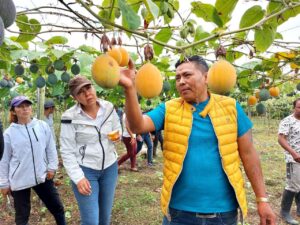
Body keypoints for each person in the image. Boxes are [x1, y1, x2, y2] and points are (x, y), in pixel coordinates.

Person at [118, 55, 276, 224]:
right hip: (179, 212)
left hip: (223, 213)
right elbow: (137, 126)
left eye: (187, 75)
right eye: (177, 77)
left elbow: (249, 154)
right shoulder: (169, 109)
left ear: (206, 77)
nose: (181, 81)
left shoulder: (231, 107)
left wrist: (262, 200)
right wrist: (130, 88)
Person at [60, 75, 121, 225]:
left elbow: (117, 127)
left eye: (88, 88)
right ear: (75, 97)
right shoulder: (69, 117)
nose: (87, 94)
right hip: (86, 170)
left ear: (94, 88)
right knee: (91, 221)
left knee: (104, 219)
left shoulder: (109, 108)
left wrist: (117, 136)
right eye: (81, 92)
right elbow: (66, 150)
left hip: (109, 167)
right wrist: (78, 177)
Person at [0, 95, 66, 225]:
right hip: (19, 179)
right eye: (20, 106)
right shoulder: (8, 134)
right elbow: (4, 160)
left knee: (57, 208)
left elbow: (50, 148)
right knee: (22, 217)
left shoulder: (42, 126)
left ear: (31, 108)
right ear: (14, 111)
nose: (25, 109)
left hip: (41, 176)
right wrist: (3, 183)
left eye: (27, 106)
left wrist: (52, 167)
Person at [278, 98, 300, 225]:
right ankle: (284, 212)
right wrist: (293, 153)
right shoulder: (288, 121)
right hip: (294, 159)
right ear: (294, 108)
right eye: (299, 107)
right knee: (293, 185)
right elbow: (281, 139)